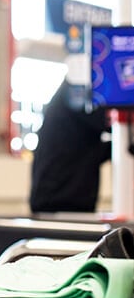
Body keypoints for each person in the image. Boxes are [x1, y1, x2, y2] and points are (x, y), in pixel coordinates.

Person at [30, 78, 111, 213]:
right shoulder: (76, 87)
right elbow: (109, 121)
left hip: (67, 197)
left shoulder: (79, 87)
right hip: (58, 201)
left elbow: (89, 149)